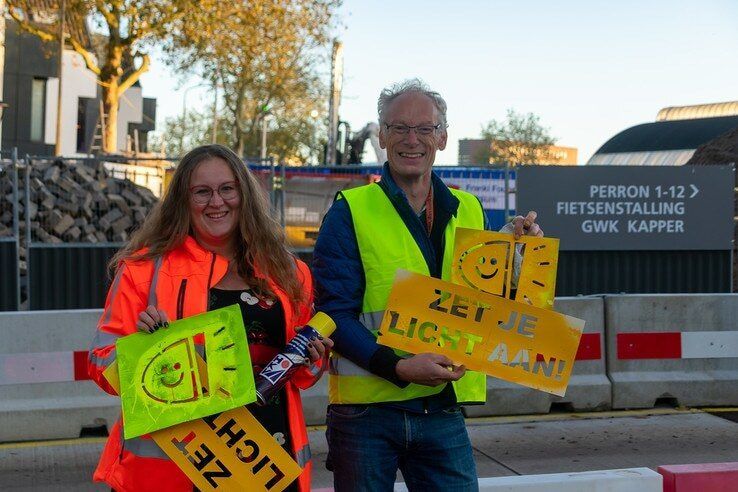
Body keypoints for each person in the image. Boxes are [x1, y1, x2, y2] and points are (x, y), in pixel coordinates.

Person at [313, 79, 543, 491]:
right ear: (382, 136)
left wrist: (516, 266)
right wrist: (399, 366)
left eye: (424, 129)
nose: (411, 139)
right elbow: (333, 315)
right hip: (367, 414)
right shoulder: (351, 211)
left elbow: (482, 302)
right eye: (399, 128)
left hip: (441, 408)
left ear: (442, 137)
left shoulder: (469, 208)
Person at [87, 144, 332, 492]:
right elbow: (100, 362)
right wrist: (146, 350)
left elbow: (302, 374)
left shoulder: (289, 272)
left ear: (243, 194)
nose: (216, 202)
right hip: (176, 468)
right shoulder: (144, 270)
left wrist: (314, 358)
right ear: (183, 201)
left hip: (265, 462)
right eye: (202, 192)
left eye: (227, 189)